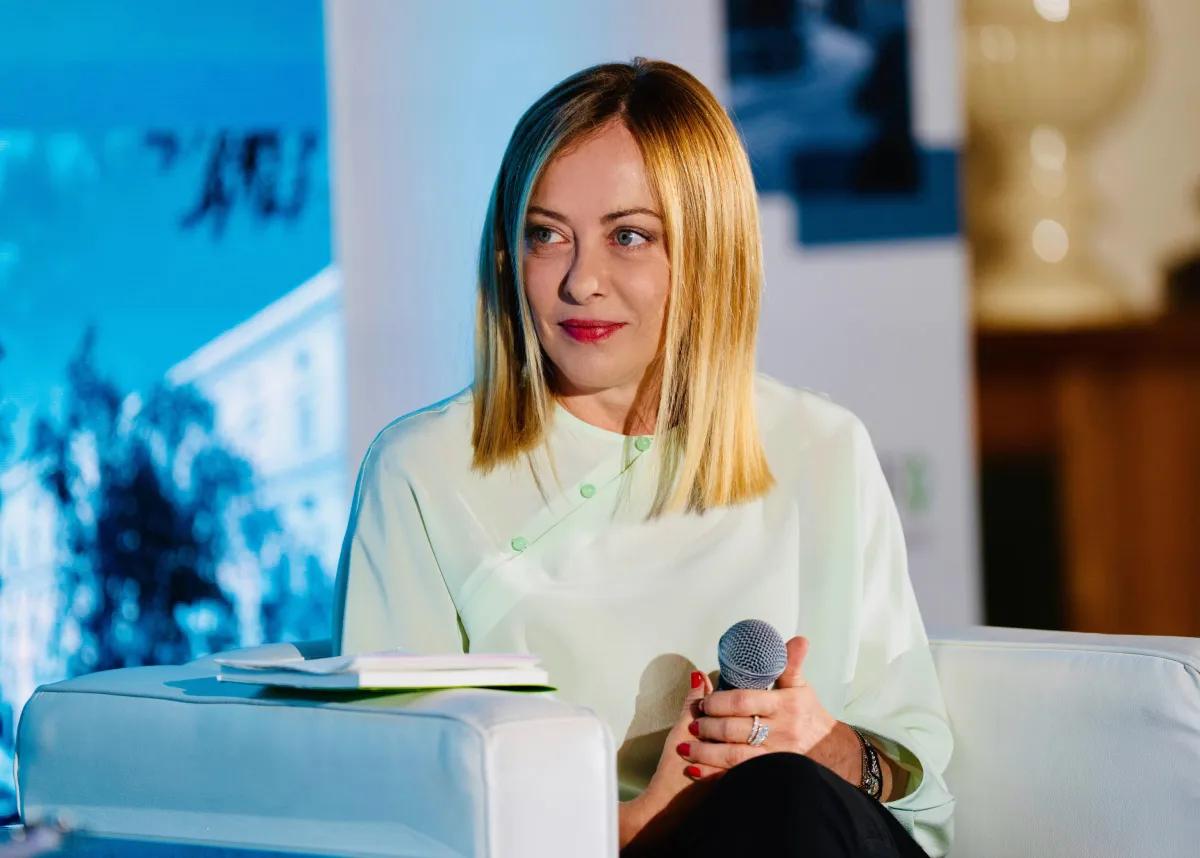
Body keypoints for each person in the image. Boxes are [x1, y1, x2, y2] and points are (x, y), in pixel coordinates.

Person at [332, 58, 954, 857]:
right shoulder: (422, 472)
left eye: (629, 236)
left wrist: (826, 747)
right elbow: (392, 806)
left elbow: (919, 785)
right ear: (507, 255)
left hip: (807, 831)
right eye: (546, 235)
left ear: (708, 251)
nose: (581, 281)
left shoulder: (821, 446)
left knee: (786, 795)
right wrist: (636, 826)